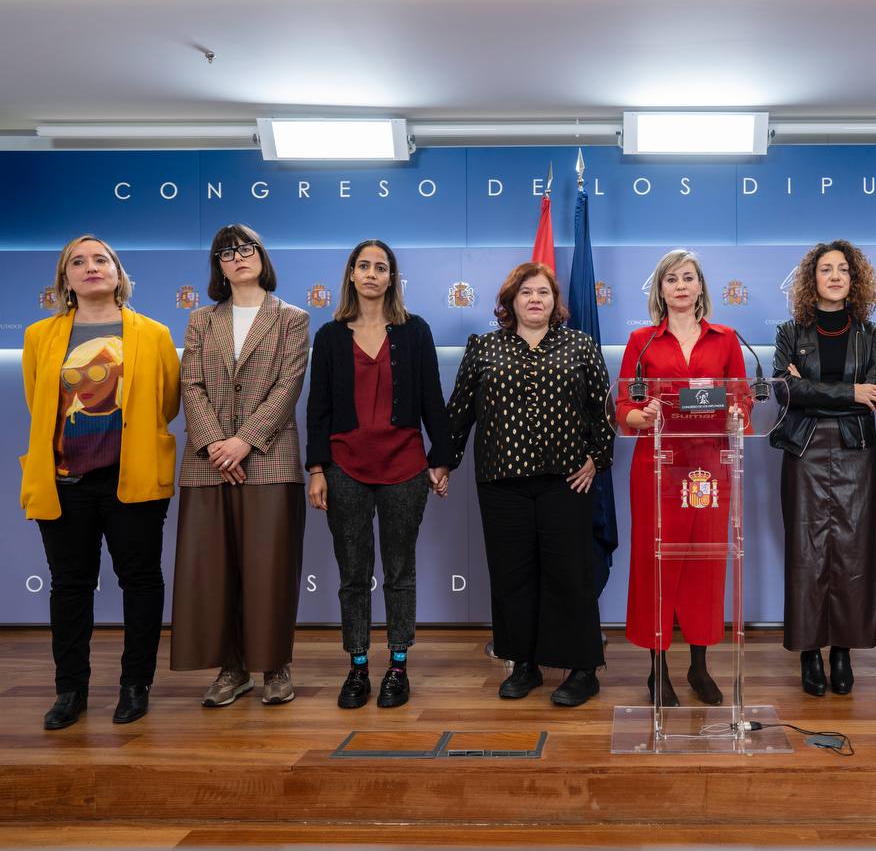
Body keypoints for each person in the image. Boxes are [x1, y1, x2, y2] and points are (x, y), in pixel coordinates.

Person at [20, 235, 180, 729]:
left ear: (118, 272)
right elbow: (38, 401)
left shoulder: (153, 333)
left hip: (132, 478)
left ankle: (135, 685)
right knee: (70, 586)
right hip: (64, 480)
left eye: (100, 259)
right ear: (65, 279)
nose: (90, 266)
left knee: (140, 581)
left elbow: (167, 402)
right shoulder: (39, 336)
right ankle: (70, 691)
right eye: (78, 261)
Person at [445, 262, 613, 707]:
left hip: (567, 482)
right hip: (501, 484)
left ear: (556, 302)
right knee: (512, 576)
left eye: (543, 292)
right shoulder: (484, 348)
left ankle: (583, 670)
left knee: (571, 576)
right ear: (510, 301)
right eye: (525, 292)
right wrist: (442, 463)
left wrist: (597, 458)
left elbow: (603, 411)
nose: (535, 299)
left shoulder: (580, 345)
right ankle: (524, 664)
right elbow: (458, 412)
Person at [306, 240, 453, 709]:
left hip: (405, 467)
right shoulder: (330, 336)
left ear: (392, 278)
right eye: (363, 266)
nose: (372, 274)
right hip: (344, 468)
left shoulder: (415, 331)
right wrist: (316, 468)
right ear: (351, 274)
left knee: (400, 571)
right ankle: (357, 666)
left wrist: (441, 459)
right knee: (353, 573)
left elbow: (432, 398)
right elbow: (318, 408)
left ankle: (398, 665)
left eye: (381, 267)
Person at [169, 223, 310, 707]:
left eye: (247, 248)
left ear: (262, 257)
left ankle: (275, 666)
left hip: (270, 458)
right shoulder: (201, 320)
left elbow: (288, 385)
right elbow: (191, 385)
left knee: (269, 569)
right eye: (227, 253)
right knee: (214, 570)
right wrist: (215, 444)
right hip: (208, 463)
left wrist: (244, 441)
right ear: (218, 267)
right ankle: (231, 669)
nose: (239, 257)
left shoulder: (292, 318)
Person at [617, 249, 748, 706]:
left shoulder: (726, 339)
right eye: (671, 279)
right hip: (657, 468)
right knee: (655, 564)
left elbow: (742, 398)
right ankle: (657, 669)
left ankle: (698, 666)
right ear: (660, 288)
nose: (680, 286)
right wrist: (640, 415)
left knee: (704, 565)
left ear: (700, 286)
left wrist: (737, 414)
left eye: (688, 277)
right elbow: (624, 405)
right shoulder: (641, 342)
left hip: (709, 466)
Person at [771, 240, 876, 697]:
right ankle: (808, 653)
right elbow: (785, 392)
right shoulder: (789, 331)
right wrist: (847, 393)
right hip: (804, 450)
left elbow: (873, 397)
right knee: (807, 553)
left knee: (854, 553)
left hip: (856, 449)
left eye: (843, 269)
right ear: (811, 279)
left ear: (854, 280)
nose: (835, 276)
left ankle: (842, 651)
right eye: (826, 269)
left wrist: (814, 390)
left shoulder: (870, 334)